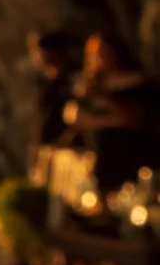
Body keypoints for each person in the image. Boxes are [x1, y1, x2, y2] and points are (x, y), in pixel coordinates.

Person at [66, 32, 160, 200]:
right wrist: (108, 121)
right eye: (99, 55)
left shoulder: (137, 83)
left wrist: (104, 102)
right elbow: (74, 116)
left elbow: (135, 120)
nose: (104, 59)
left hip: (136, 157)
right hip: (106, 163)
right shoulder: (92, 85)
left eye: (108, 53)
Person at [29, 30, 79, 159]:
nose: (39, 56)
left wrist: (65, 140)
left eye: (42, 51)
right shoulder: (43, 80)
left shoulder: (73, 77)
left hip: (71, 149)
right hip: (49, 146)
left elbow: (76, 111)